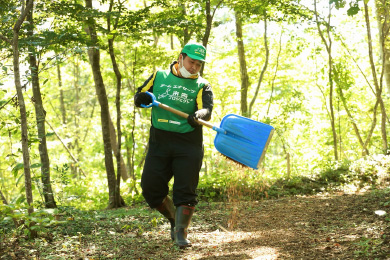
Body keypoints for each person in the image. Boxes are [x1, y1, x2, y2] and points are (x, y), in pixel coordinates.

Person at [134, 43, 214, 248]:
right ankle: (173, 218)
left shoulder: (202, 85)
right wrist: (140, 98)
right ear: (181, 58)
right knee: (151, 189)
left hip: (188, 143)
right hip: (159, 141)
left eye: (199, 64)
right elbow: (140, 95)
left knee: (185, 189)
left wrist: (199, 115)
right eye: (191, 62)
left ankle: (181, 231)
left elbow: (206, 109)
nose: (195, 67)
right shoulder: (159, 76)